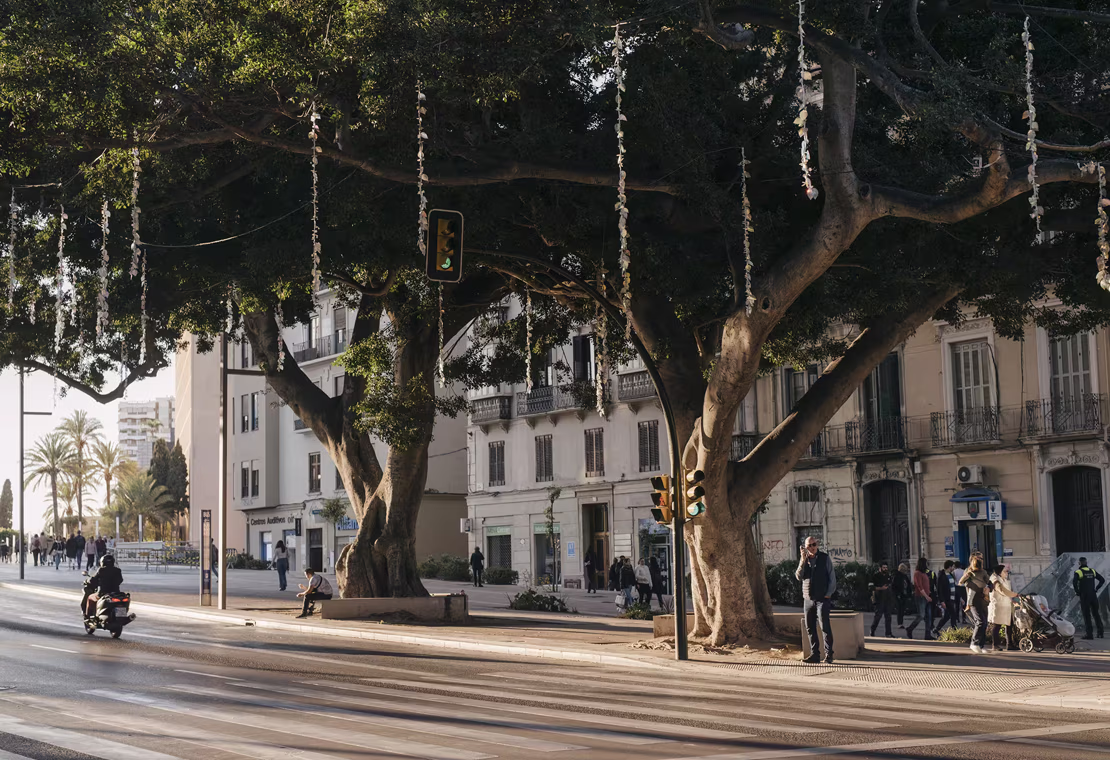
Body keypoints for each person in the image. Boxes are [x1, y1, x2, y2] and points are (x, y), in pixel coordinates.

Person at [795, 535, 836, 664]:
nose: (812, 548)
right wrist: (802, 561)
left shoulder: (824, 558)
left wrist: (828, 594)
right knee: (810, 628)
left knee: (824, 627)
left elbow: (832, 577)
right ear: (805, 548)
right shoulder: (804, 560)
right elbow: (798, 576)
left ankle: (829, 655)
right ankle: (815, 655)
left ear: (817, 545)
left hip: (822, 599)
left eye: (813, 545)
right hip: (808, 599)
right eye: (809, 546)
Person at [959, 554, 992, 654]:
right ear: (972, 561)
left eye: (981, 559)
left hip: (983, 598)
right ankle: (974, 643)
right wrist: (967, 575)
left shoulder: (983, 572)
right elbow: (961, 582)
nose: (980, 561)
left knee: (985, 622)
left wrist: (989, 588)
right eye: (978, 559)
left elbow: (990, 582)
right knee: (980, 621)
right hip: (973, 599)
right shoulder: (968, 572)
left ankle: (981, 646)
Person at [986, 564, 1019, 652]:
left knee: (1009, 625)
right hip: (999, 606)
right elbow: (1002, 590)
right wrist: (1014, 594)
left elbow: (1007, 592)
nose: (1007, 573)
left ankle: (1010, 644)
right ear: (999, 572)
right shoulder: (995, 580)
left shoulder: (1004, 579)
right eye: (1005, 571)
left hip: (1006, 605)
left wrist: (1012, 599)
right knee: (997, 625)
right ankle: (995, 645)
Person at [81, 554, 123, 620]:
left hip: (103, 592)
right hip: (116, 593)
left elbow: (93, 580)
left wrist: (89, 582)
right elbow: (120, 580)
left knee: (90, 598)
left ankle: (88, 617)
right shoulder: (118, 570)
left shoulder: (101, 570)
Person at [1074, 557, 1106, 639]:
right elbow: (1102, 580)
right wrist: (1096, 588)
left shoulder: (1078, 572)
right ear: (1086, 562)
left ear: (1079, 563)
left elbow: (1074, 583)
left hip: (1085, 596)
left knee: (1086, 615)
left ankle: (1089, 634)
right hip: (1093, 595)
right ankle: (1100, 632)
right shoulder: (1092, 571)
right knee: (1096, 614)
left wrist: (1078, 592)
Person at [906, 557, 935, 640]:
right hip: (921, 597)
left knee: (928, 616)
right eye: (926, 563)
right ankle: (910, 628)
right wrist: (926, 596)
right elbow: (919, 586)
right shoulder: (917, 573)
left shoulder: (924, 573)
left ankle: (927, 634)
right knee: (921, 615)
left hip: (927, 596)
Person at [869, 562, 895, 638]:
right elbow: (870, 587)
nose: (885, 569)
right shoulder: (875, 576)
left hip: (887, 599)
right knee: (878, 616)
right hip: (879, 599)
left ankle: (888, 633)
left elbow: (890, 585)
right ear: (880, 568)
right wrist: (881, 588)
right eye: (884, 567)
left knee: (888, 617)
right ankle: (872, 630)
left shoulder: (888, 576)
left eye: (886, 567)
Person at [933, 560, 959, 636]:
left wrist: (959, 598)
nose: (953, 568)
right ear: (949, 567)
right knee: (953, 614)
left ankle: (936, 629)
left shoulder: (951, 575)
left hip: (952, 598)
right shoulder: (942, 576)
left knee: (947, 616)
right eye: (952, 566)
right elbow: (940, 589)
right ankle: (955, 630)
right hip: (947, 598)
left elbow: (954, 586)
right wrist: (942, 601)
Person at [893, 562, 912, 629]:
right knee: (899, 609)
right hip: (899, 595)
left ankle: (901, 623)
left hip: (904, 595)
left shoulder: (905, 576)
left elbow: (908, 584)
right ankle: (899, 623)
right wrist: (897, 594)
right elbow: (895, 586)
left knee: (902, 609)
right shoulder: (897, 576)